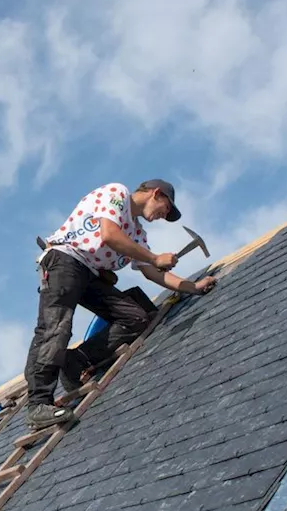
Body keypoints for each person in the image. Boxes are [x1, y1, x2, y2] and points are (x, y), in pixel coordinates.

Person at [24, 179, 217, 431]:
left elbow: (153, 273)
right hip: (65, 260)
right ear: (156, 193)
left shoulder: (138, 233)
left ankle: (74, 361)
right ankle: (38, 404)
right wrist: (154, 257)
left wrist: (193, 287)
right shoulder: (118, 193)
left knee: (137, 317)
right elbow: (110, 235)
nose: (163, 216)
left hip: (90, 274)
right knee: (55, 326)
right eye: (166, 209)